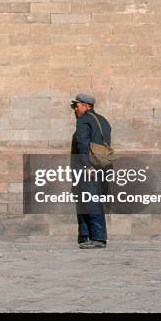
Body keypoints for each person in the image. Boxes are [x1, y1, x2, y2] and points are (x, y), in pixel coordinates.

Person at [71, 93, 111, 249]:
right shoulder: (103, 121)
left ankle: (98, 238)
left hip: (88, 167)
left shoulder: (84, 120)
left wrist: (87, 165)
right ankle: (85, 236)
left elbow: (82, 144)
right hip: (102, 165)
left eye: (77, 105)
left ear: (87, 106)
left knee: (90, 200)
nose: (75, 108)